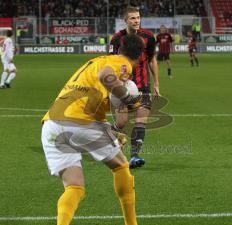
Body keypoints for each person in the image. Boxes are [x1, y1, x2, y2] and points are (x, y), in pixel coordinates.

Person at [41, 34, 145, 225]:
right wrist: (130, 99)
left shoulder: (96, 61)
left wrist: (111, 132)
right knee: (121, 166)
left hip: (52, 124)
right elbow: (105, 76)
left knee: (75, 188)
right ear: (140, 57)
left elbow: (95, 108)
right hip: (80, 122)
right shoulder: (123, 64)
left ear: (119, 48)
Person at [109, 6, 160, 169]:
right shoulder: (117, 39)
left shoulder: (149, 37)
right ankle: (105, 136)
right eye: (132, 18)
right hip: (122, 87)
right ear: (125, 21)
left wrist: (157, 83)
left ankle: (134, 156)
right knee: (122, 123)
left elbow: (152, 60)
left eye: (138, 17)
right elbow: (110, 64)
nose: (136, 20)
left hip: (143, 85)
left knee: (140, 121)